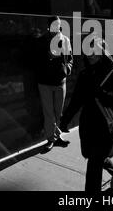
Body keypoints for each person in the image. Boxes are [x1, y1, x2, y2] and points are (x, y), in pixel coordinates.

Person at [60, 38, 113, 192]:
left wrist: (103, 96)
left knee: (93, 166)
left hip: (105, 127)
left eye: (94, 51)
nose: (90, 55)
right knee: (95, 159)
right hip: (87, 125)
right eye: (88, 51)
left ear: (102, 52)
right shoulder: (85, 74)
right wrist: (64, 121)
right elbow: (76, 100)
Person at [35, 16, 74, 151]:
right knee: (49, 113)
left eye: (58, 24)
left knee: (58, 112)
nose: (56, 27)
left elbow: (70, 59)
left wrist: (66, 69)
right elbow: (35, 61)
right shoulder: (41, 41)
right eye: (54, 25)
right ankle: (51, 138)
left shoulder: (65, 40)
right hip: (45, 82)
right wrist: (49, 57)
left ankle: (56, 136)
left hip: (60, 81)